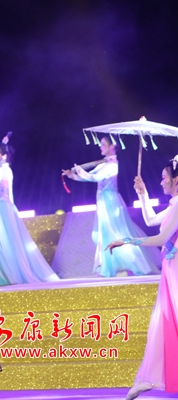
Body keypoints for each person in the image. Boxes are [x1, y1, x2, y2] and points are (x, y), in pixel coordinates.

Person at [106, 156, 178, 399]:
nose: (161, 181)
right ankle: (148, 378)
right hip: (170, 268)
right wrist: (143, 194)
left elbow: (160, 238)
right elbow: (150, 220)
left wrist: (127, 240)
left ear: (176, 180)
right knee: (164, 323)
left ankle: (148, 379)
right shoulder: (173, 205)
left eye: (164, 178)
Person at [63, 136, 160, 277]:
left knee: (114, 233)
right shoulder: (104, 163)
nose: (100, 147)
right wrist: (72, 175)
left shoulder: (112, 164)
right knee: (100, 235)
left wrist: (79, 170)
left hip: (110, 202)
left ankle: (131, 263)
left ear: (112, 146)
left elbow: (94, 177)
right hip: (103, 201)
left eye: (103, 144)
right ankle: (114, 266)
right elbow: (88, 176)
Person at [0, 135, 59, 286]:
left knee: (0, 241)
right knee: (7, 241)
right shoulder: (7, 170)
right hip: (5, 207)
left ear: (3, 156)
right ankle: (7, 274)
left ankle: (7, 275)